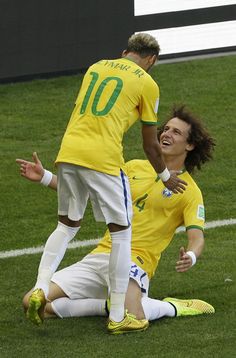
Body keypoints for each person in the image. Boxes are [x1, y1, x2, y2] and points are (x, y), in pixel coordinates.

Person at [20, 32, 187, 333]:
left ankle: (40, 287)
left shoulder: (97, 67)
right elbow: (150, 145)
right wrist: (165, 176)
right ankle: (119, 314)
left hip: (68, 152)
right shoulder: (147, 83)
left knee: (67, 226)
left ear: (125, 51)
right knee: (122, 232)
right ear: (152, 60)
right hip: (105, 158)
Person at [18, 105, 216, 334]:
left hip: (135, 262)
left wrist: (191, 255)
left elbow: (197, 237)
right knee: (31, 302)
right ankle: (106, 305)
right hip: (101, 255)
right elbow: (86, 192)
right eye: (166, 129)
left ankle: (172, 307)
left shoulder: (190, 191)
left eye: (176, 132)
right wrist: (44, 177)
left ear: (190, 145)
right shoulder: (133, 167)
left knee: (133, 318)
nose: (166, 134)